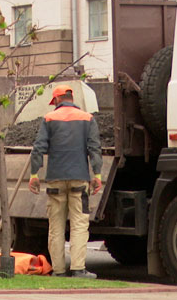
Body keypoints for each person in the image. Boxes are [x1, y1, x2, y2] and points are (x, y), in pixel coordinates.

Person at [28, 84, 103, 278]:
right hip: (79, 178)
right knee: (79, 224)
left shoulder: (49, 118)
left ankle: (59, 271)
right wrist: (97, 175)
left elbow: (38, 148)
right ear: (71, 98)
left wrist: (34, 175)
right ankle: (78, 269)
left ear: (58, 100)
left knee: (56, 226)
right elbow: (94, 148)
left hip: (55, 180)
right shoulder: (88, 118)